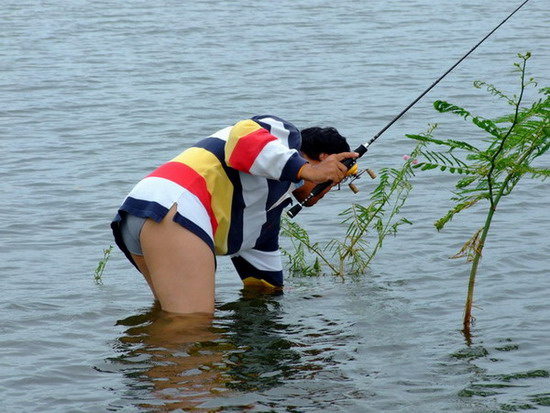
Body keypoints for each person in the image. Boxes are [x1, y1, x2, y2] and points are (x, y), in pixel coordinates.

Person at [111, 115, 358, 315]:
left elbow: (264, 287)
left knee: (171, 316)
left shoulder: (265, 219)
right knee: (191, 326)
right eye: (334, 179)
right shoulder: (283, 136)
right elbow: (242, 137)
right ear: (325, 160)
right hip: (176, 208)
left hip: (139, 211)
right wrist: (306, 170)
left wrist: (309, 296)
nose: (328, 189)